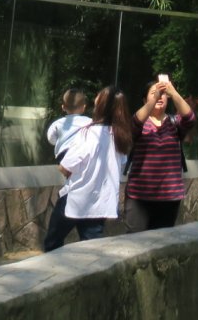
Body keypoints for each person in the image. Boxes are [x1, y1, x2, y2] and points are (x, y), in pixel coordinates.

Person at [42, 85, 133, 251]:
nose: (95, 99)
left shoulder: (88, 134)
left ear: (102, 105)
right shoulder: (121, 136)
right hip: (100, 203)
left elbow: (65, 166)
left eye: (98, 97)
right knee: (92, 250)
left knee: (52, 243)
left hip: (77, 198)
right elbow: (119, 165)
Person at [123, 75, 197, 233]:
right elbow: (134, 123)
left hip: (169, 198)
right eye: (154, 92)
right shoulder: (141, 123)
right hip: (139, 197)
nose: (159, 96)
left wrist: (173, 92)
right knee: (134, 243)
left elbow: (190, 119)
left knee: (160, 245)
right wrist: (155, 97)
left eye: (163, 93)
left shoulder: (174, 122)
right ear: (144, 100)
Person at [45, 87, 92, 161]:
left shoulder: (58, 123)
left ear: (63, 107)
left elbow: (51, 139)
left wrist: (59, 141)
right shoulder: (90, 122)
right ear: (84, 107)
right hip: (82, 156)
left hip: (63, 156)